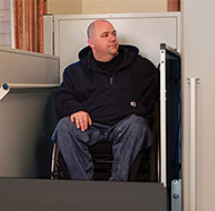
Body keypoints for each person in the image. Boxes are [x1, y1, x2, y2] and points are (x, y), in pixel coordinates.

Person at [52, 19, 159, 181]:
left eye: (114, 34)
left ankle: (116, 186)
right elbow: (62, 98)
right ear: (91, 42)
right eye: (105, 35)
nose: (113, 38)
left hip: (125, 126)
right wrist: (76, 109)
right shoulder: (75, 72)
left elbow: (158, 94)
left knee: (138, 124)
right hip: (90, 126)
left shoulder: (141, 67)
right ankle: (84, 186)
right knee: (64, 126)